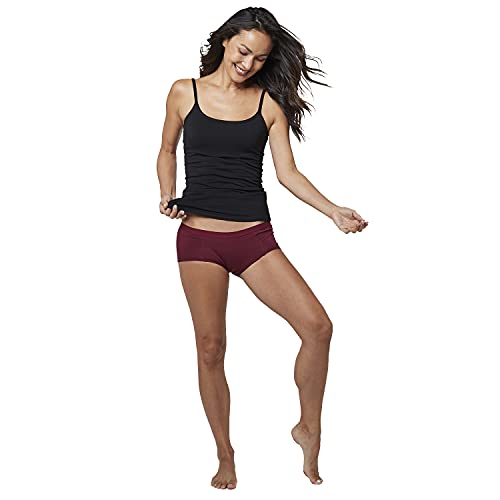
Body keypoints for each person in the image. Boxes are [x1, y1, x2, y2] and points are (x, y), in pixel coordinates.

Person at [157, 7, 368, 490]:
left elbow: (287, 173)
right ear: (226, 41)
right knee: (210, 348)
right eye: (243, 51)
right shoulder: (183, 92)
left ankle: (308, 427)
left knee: (318, 327)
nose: (248, 63)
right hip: (199, 239)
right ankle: (225, 454)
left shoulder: (268, 104)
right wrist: (166, 192)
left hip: (252, 238)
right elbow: (166, 149)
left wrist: (333, 211)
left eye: (259, 58)